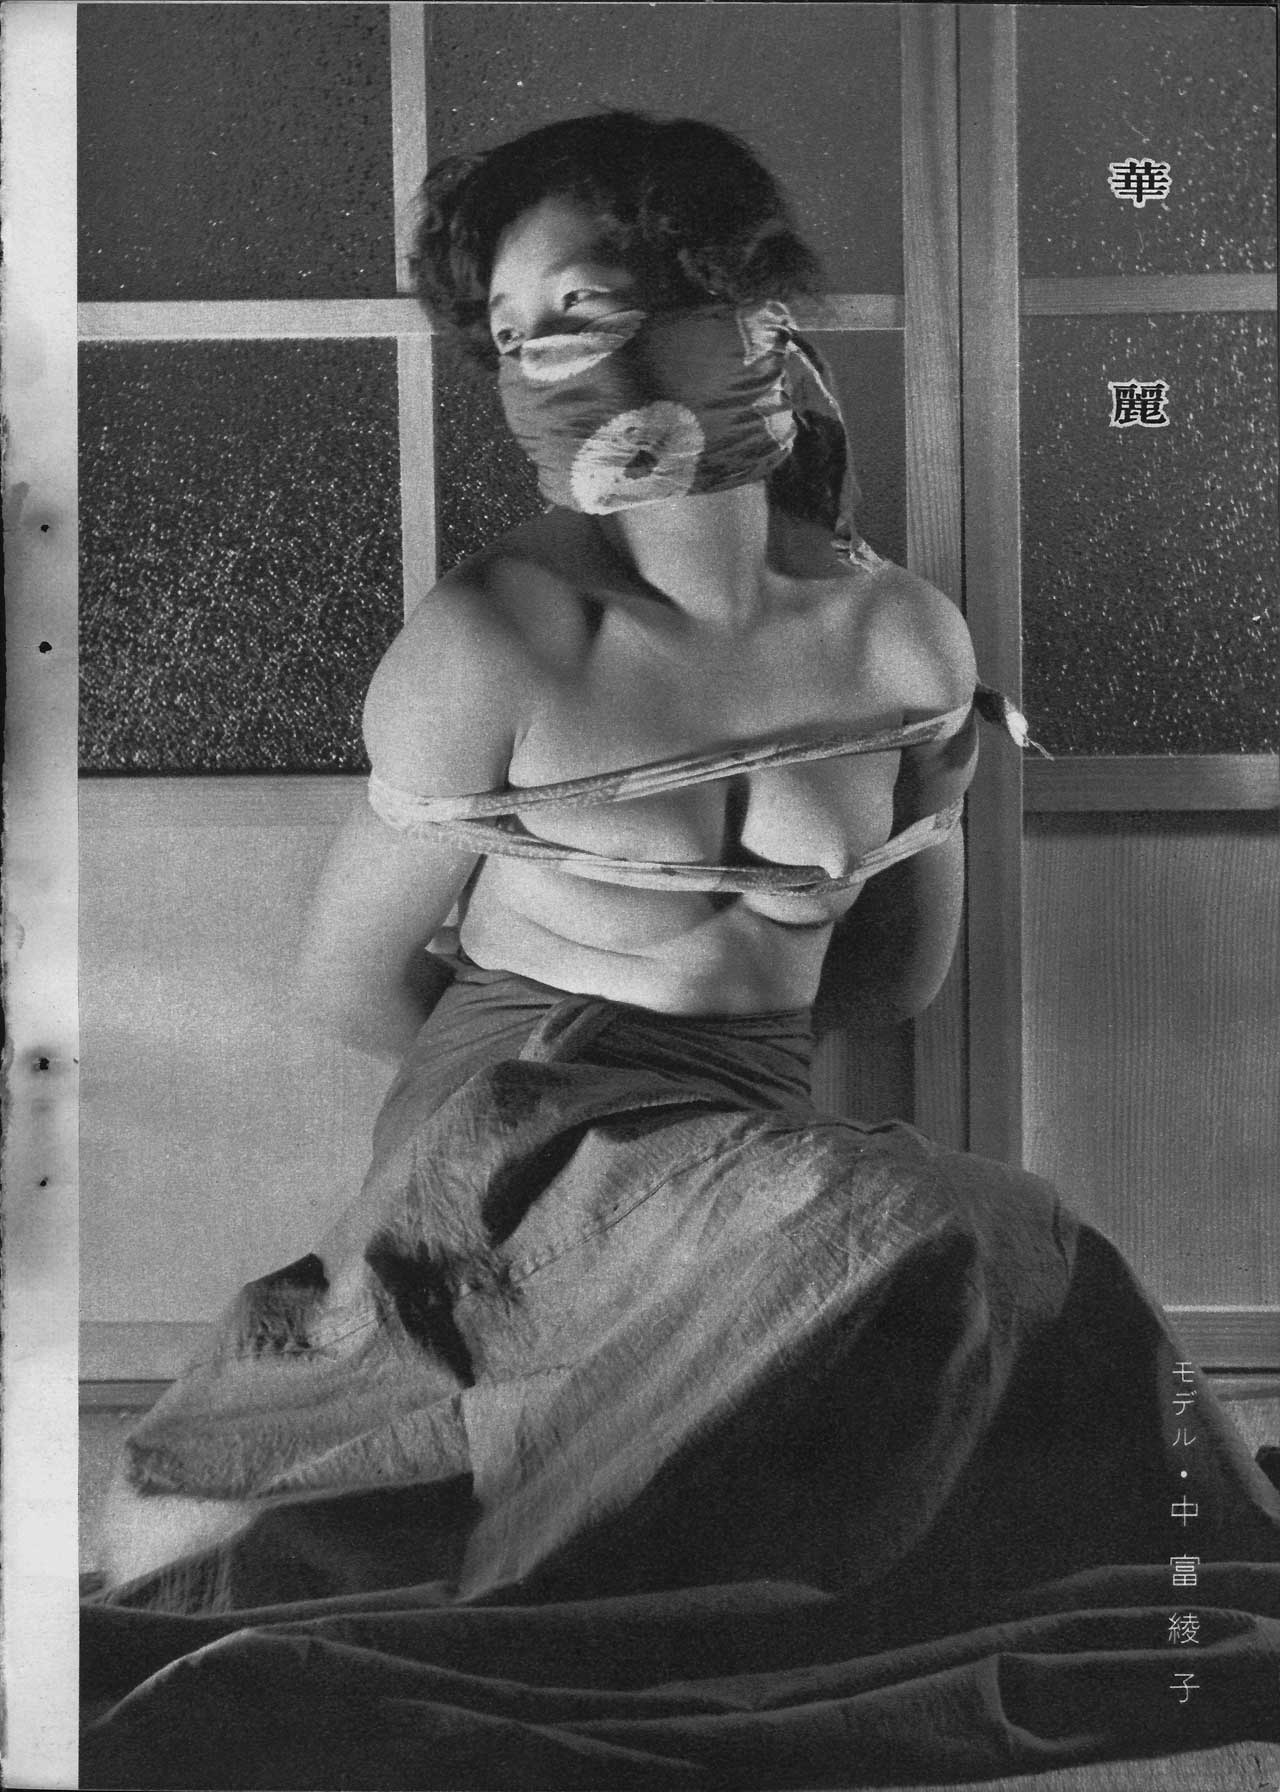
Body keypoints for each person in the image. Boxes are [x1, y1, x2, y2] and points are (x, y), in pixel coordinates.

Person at [83, 114, 1280, 1790]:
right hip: (515, 1127)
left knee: (949, 1283)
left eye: (583, 309)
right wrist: (561, 1123)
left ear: (742, 311)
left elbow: (891, 980)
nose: (548, 370)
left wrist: (731, 1125)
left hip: (750, 1122)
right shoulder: (498, 638)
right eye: (512, 336)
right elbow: (346, 985)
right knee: (983, 1220)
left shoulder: (899, 638)